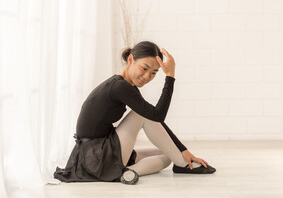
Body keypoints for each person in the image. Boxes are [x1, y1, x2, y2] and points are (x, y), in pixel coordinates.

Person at [54, 41, 216, 185]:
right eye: (144, 68)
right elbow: (156, 115)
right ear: (130, 60)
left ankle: (129, 172)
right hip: (96, 154)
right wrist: (170, 76)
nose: (147, 76)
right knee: (142, 115)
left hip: (99, 151)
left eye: (153, 73)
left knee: (167, 155)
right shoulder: (119, 86)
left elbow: (156, 119)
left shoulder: (127, 87)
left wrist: (183, 150)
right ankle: (183, 165)